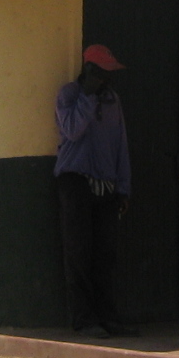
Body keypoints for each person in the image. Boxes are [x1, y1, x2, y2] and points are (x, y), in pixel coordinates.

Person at [54, 43, 136, 339]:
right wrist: (87, 95)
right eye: (101, 73)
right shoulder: (69, 95)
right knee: (78, 252)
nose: (107, 79)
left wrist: (123, 188)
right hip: (75, 181)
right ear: (89, 70)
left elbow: (120, 144)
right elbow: (72, 130)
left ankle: (108, 317)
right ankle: (84, 319)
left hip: (106, 184)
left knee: (105, 255)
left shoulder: (113, 100)